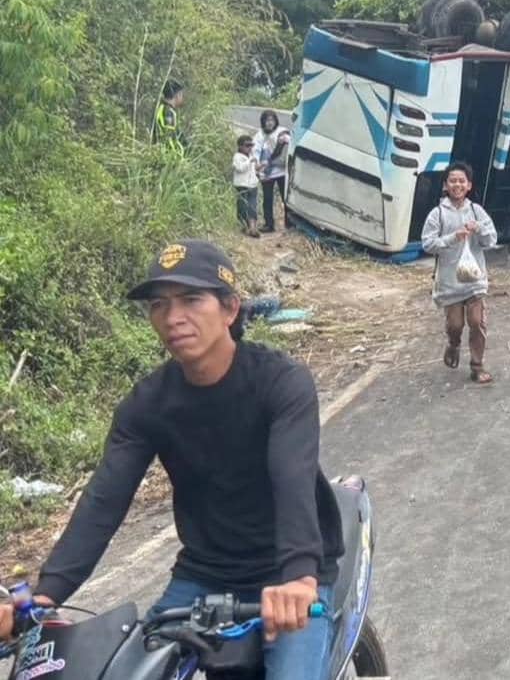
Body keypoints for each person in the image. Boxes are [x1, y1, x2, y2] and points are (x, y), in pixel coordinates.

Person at [0, 240, 344, 679]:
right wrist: (45, 598)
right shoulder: (147, 405)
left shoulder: (281, 383)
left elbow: (292, 479)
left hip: (286, 573)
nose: (172, 317)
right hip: (205, 570)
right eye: (158, 304)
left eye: (191, 299)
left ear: (230, 309)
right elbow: (104, 500)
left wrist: (299, 577)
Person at [421, 161, 498, 385]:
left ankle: (477, 366)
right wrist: (453, 237)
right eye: (453, 180)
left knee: (477, 321)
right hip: (450, 281)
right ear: (445, 185)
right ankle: (453, 344)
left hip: (474, 279)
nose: (457, 184)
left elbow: (491, 240)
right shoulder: (437, 214)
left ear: (469, 185)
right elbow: (427, 244)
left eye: (462, 181)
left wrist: (479, 229)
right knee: (455, 324)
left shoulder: (476, 211)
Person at [254, 110, 290, 233]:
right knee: (267, 199)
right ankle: (269, 224)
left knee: (286, 198)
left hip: (282, 171)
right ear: (263, 122)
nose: (269, 123)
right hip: (267, 172)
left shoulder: (282, 132)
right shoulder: (259, 135)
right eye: (267, 121)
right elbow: (256, 151)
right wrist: (257, 166)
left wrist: (284, 140)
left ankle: (289, 224)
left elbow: (290, 142)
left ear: (275, 121)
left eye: (272, 120)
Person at [233, 134, 261, 238]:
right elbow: (240, 168)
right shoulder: (237, 157)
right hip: (242, 185)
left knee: (252, 206)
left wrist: (259, 171)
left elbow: (253, 170)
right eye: (247, 145)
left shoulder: (251, 156)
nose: (249, 148)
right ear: (240, 146)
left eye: (251, 145)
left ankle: (253, 228)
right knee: (242, 206)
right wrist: (250, 161)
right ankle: (244, 226)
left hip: (252, 185)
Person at [153, 80, 185, 155]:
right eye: (181, 94)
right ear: (177, 95)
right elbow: (169, 137)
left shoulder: (162, 108)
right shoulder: (167, 112)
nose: (182, 98)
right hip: (166, 157)